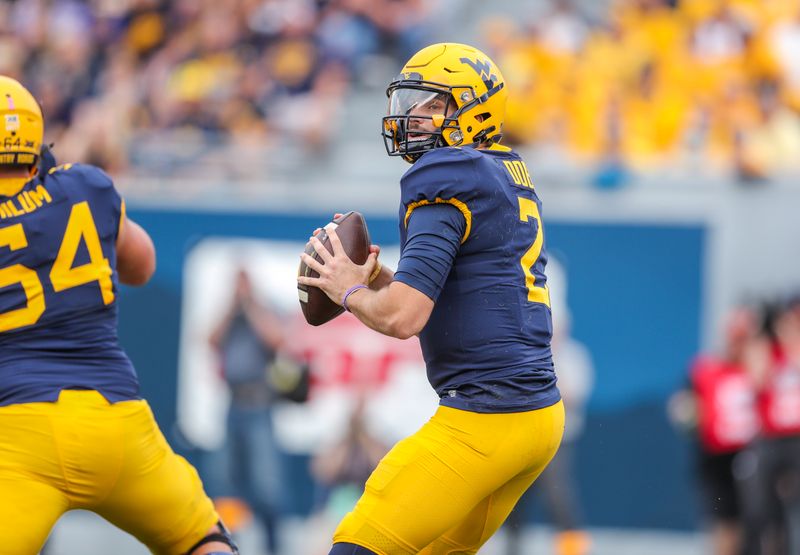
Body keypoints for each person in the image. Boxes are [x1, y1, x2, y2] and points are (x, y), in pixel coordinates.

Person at [298, 42, 564, 555]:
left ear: (475, 111)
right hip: (537, 418)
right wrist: (375, 277)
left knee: (355, 546)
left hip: (484, 419)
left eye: (433, 105)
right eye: (413, 103)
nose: (414, 117)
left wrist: (345, 288)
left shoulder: (444, 176)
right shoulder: (502, 172)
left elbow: (404, 317)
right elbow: (451, 292)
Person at [0, 76, 237, 555]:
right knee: (203, 540)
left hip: (17, 432)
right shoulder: (85, 186)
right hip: (116, 417)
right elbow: (141, 265)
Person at [668, 306, 760, 555]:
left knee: (759, 525)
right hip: (716, 460)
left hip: (755, 459)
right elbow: (680, 406)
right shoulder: (705, 369)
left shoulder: (761, 369)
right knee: (724, 526)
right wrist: (690, 413)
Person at [208, 266, 287, 554]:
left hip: (259, 404)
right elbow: (210, 340)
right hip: (232, 404)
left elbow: (276, 340)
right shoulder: (230, 315)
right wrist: (232, 306)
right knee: (226, 483)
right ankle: (227, 548)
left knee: (267, 487)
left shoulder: (263, 311)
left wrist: (251, 304)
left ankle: (273, 549)